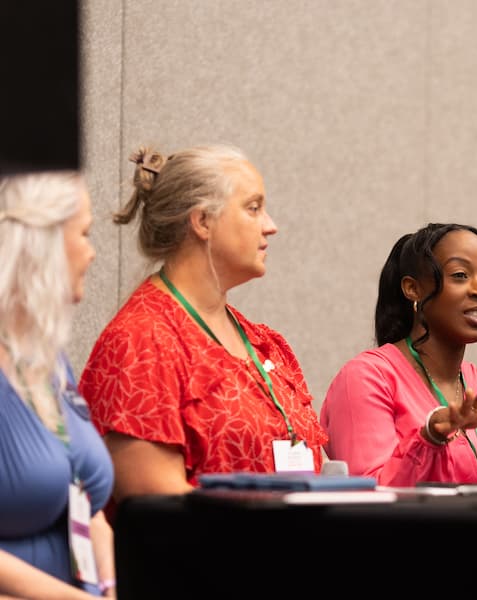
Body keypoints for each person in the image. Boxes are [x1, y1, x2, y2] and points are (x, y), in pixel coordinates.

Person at [79, 145, 327, 512]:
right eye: (253, 208)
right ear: (203, 222)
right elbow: (156, 507)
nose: (270, 226)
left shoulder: (264, 343)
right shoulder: (142, 342)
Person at [320, 223, 477, 486]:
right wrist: (430, 437)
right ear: (413, 289)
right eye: (460, 275)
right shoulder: (366, 378)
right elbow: (369, 495)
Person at [0, 172, 116, 598]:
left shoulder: (47, 357)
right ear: (40, 244)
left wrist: (108, 585)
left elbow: (86, 505)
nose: (92, 252)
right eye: (84, 233)